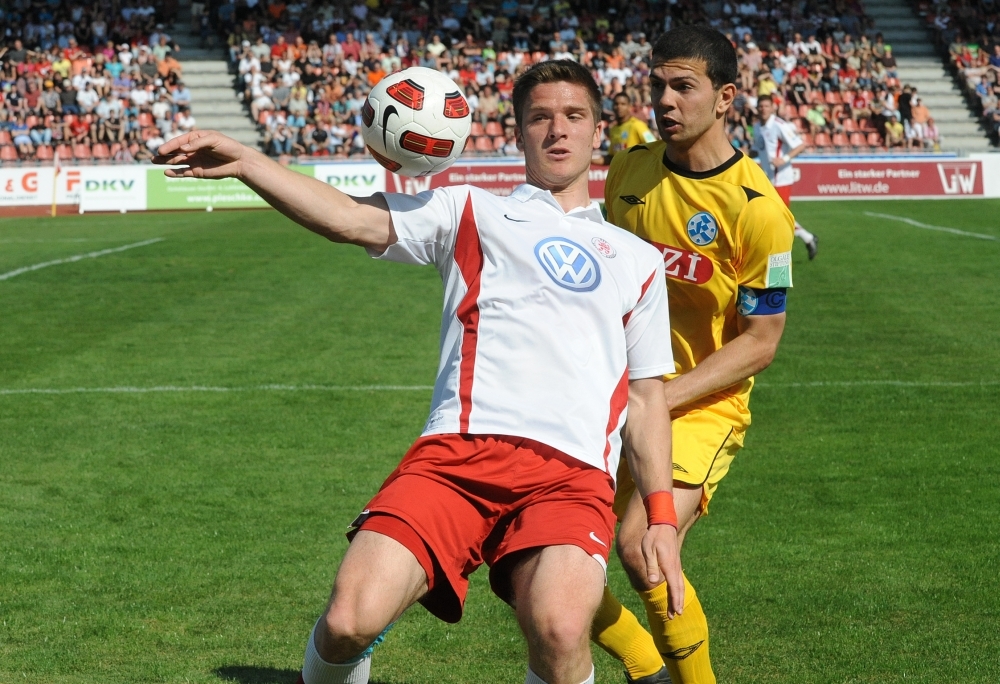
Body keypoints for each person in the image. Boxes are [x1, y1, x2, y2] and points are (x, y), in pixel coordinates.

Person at [154, 59, 685, 684]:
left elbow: (646, 398)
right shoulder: (470, 210)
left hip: (570, 476)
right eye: (540, 117)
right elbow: (350, 218)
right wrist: (248, 161)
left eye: (574, 116)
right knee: (349, 619)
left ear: (598, 130)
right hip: (458, 454)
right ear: (518, 132)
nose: (558, 130)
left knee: (562, 629)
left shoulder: (637, 259)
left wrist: (661, 518)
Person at [594, 26, 794, 684]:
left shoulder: (759, 211)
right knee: (532, 552)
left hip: (699, 403)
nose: (665, 101)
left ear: (725, 97)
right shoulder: (629, 170)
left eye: (683, 86)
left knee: (641, 546)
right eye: (657, 86)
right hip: (615, 392)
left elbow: (761, 341)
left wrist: (657, 399)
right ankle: (645, 664)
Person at [754, 94, 819, 259]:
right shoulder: (757, 127)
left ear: (772, 108)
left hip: (781, 178)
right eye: (761, 106)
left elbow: (800, 145)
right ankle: (807, 238)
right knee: (771, 216)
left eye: (766, 106)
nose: (763, 109)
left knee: (779, 217)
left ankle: (778, 252)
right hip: (766, 178)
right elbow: (758, 149)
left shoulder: (779, 125)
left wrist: (784, 159)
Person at [605, 91, 658, 163]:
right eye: (616, 104)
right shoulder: (613, 129)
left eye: (623, 104)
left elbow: (655, 146)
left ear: (629, 107)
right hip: (621, 170)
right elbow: (610, 157)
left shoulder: (637, 125)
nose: (619, 107)